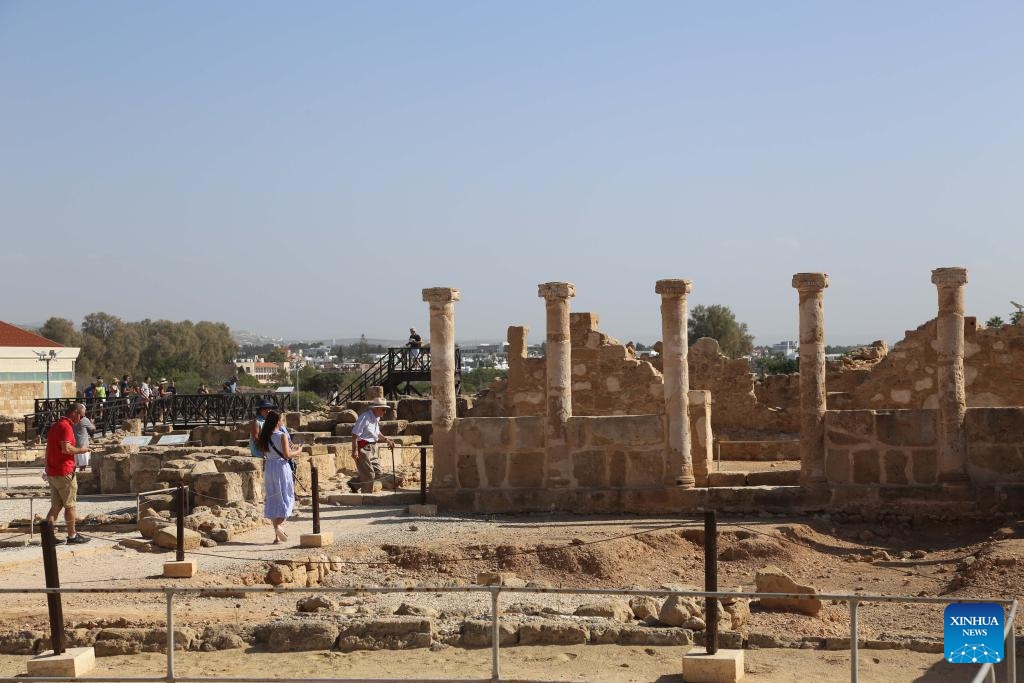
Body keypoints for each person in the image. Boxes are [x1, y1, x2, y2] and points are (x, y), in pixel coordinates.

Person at [45, 403, 91, 544]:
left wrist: (47, 468)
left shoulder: (55, 426)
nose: (81, 419)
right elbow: (66, 449)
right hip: (64, 471)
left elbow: (49, 449)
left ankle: (48, 536)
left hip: (53, 471)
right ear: (74, 413)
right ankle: (72, 536)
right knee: (70, 505)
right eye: (81, 416)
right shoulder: (66, 426)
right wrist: (82, 450)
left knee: (56, 506)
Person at [256, 410, 298, 543]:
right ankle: (279, 526)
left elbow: (266, 453)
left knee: (274, 498)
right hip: (281, 467)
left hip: (269, 467)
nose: (282, 422)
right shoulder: (281, 435)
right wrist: (298, 451)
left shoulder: (264, 436)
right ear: (277, 421)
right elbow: (287, 455)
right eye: (282, 420)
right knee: (287, 497)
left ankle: (276, 536)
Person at [350, 398, 395, 493]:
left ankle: (354, 484)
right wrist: (355, 450)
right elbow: (355, 434)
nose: (385, 412)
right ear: (376, 408)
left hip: (373, 448)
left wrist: (387, 440)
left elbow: (377, 433)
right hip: (363, 447)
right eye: (383, 409)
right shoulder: (365, 417)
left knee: (378, 472)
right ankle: (366, 496)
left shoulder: (376, 418)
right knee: (369, 475)